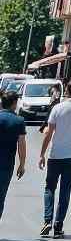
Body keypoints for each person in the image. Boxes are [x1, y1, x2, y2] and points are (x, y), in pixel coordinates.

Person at [38, 79, 71, 239]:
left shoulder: (57, 108)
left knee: (49, 188)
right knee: (65, 190)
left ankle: (47, 220)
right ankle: (58, 226)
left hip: (55, 155)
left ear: (66, 91)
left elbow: (48, 133)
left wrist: (42, 154)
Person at [0, 90, 27, 223]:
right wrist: (22, 165)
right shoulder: (18, 121)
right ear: (14, 103)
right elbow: (21, 145)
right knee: (1, 196)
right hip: (6, 165)